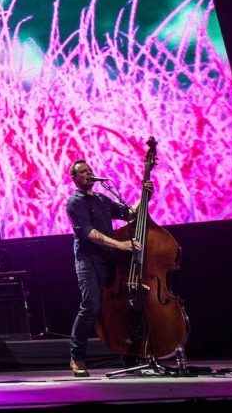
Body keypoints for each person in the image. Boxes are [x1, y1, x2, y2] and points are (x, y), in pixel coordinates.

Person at [65, 159, 151, 377]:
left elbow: (130, 213)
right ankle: (77, 356)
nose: (88, 173)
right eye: (82, 172)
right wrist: (121, 244)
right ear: (74, 179)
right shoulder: (75, 202)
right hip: (88, 260)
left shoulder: (103, 199)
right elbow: (90, 233)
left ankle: (129, 356)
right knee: (91, 306)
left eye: (89, 170)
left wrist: (144, 195)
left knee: (123, 305)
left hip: (108, 258)